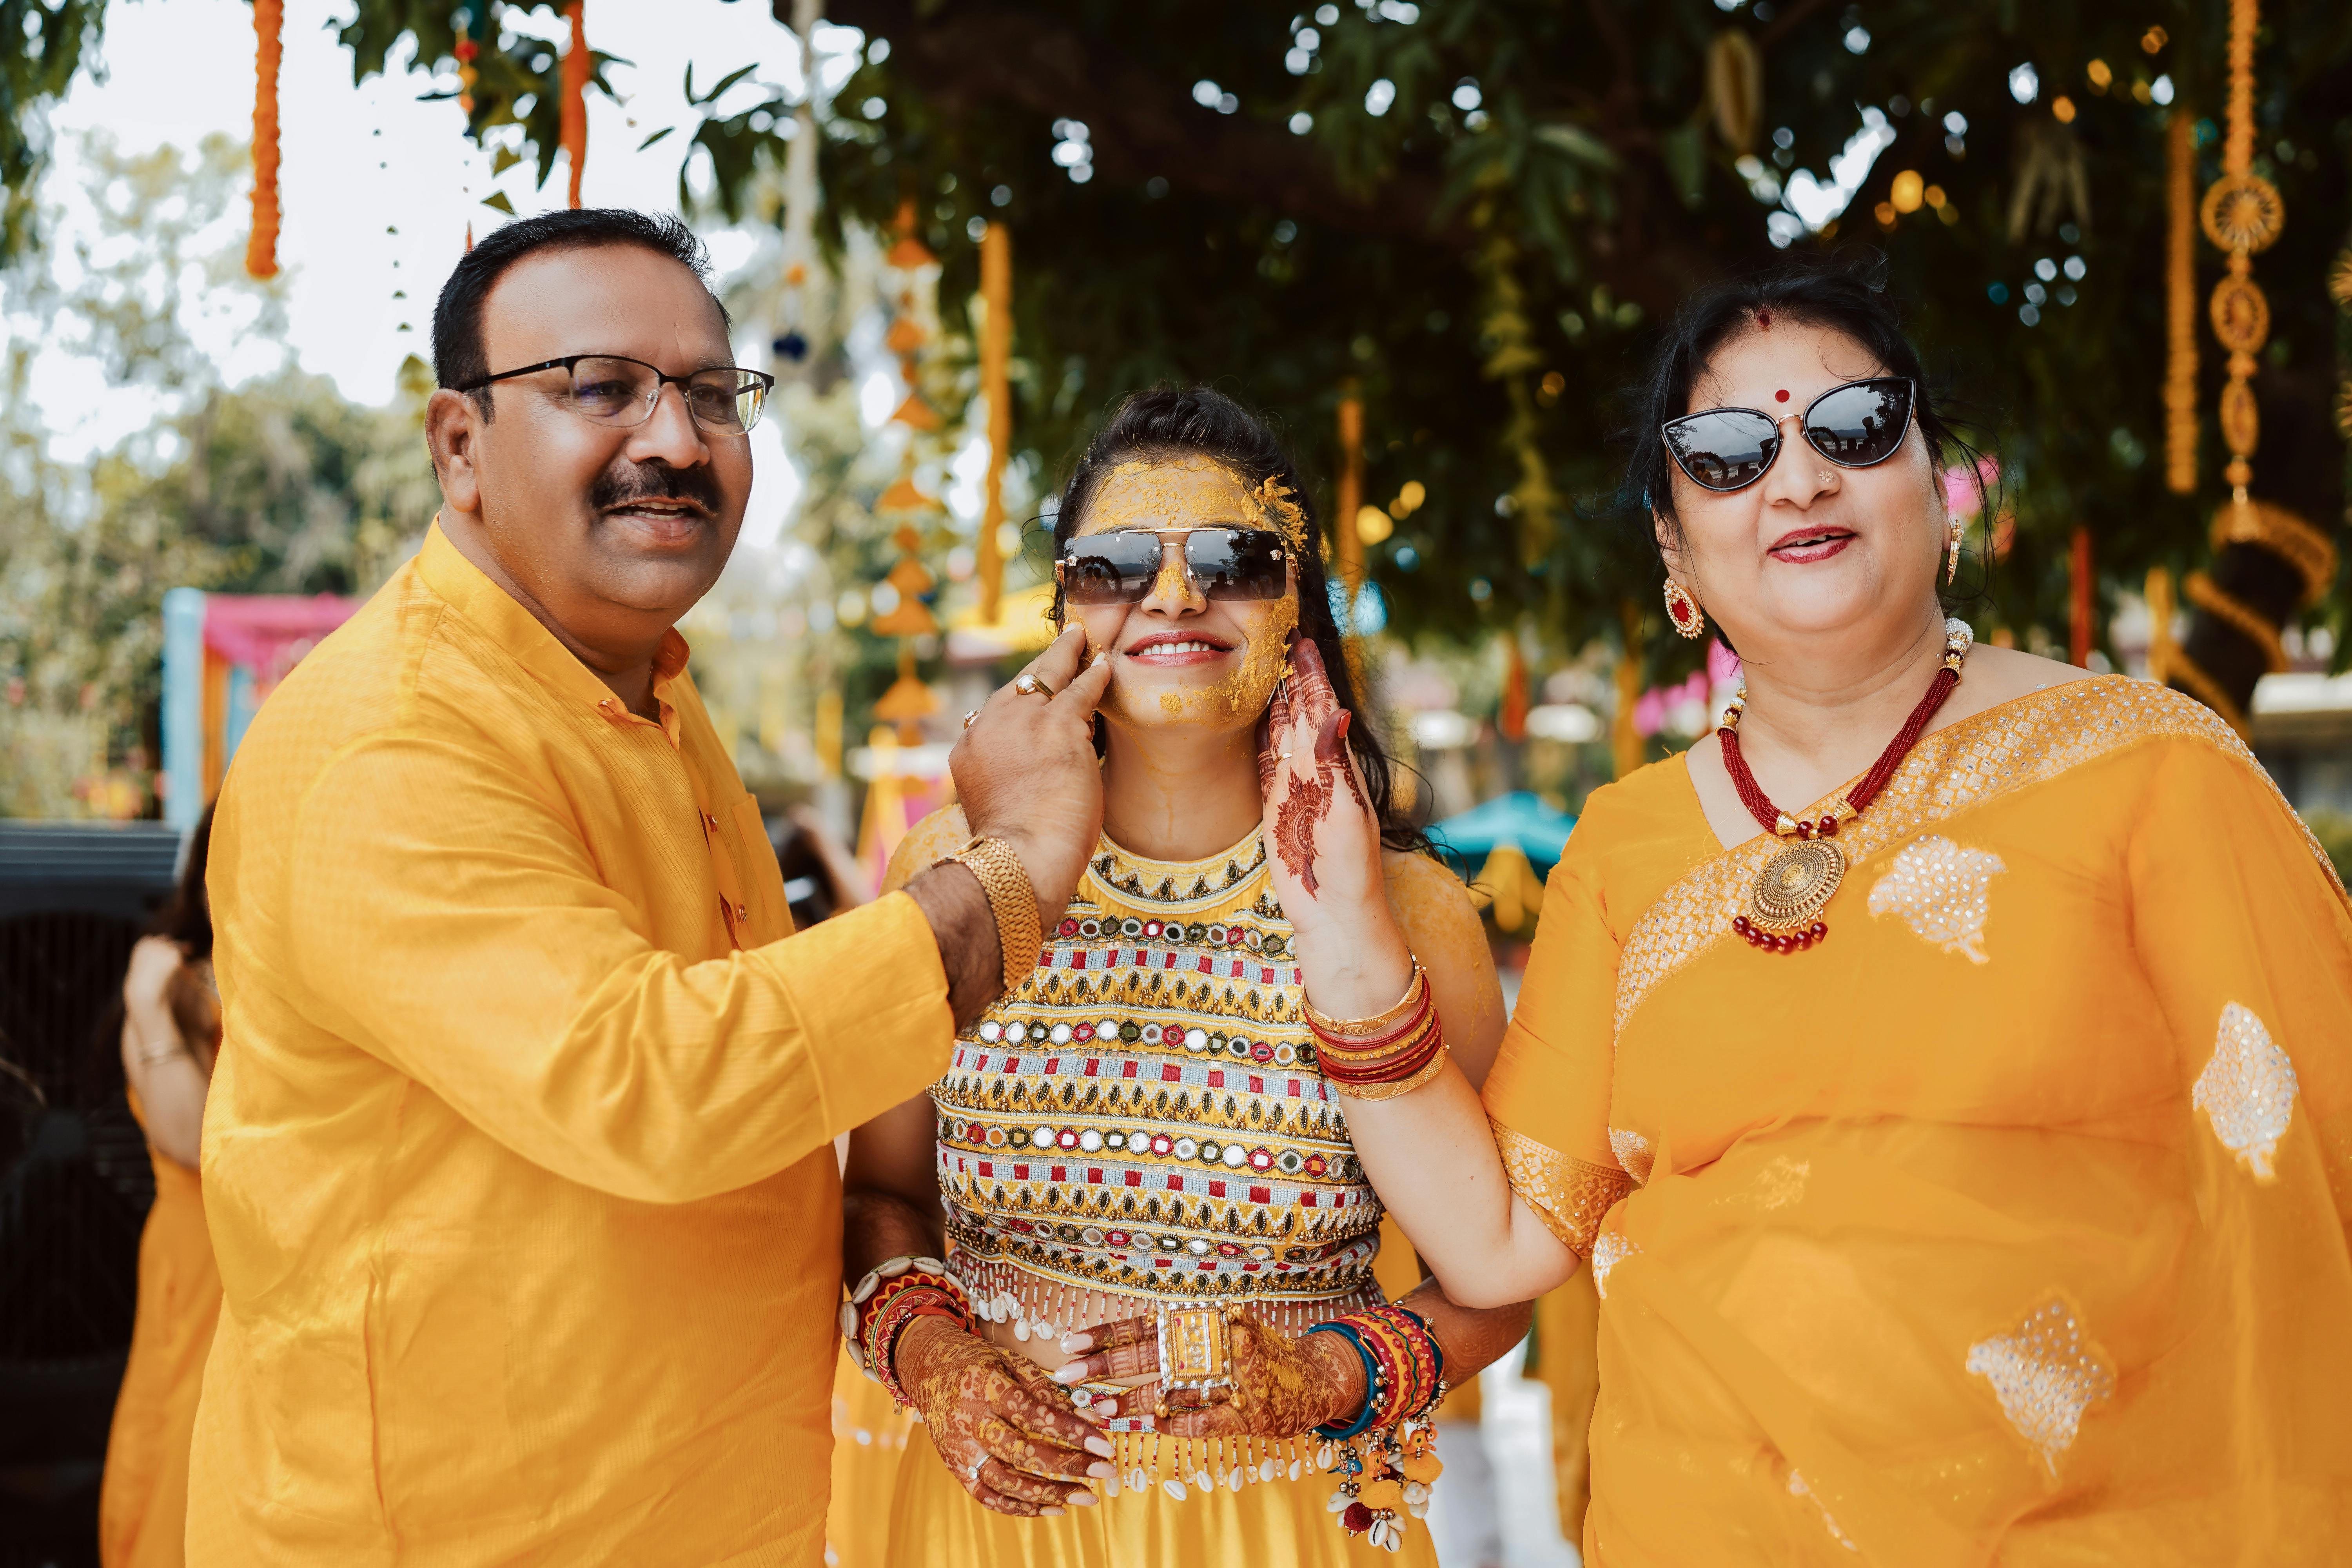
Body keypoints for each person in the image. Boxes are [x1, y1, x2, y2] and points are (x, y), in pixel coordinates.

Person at [1343, 254, 2352, 1563]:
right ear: (1672, 542)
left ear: (1938, 483)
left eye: (1856, 426)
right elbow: (1498, 1239)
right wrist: (1338, 928)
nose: (1799, 478)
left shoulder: (2149, 772)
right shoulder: (1626, 842)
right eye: (1723, 452)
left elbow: (2321, 1160)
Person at [186, 208, 1112, 1565]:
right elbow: (656, 1082)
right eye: (601, 390)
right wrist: (1015, 874)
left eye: (711, 395)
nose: (674, 441)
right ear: (460, 448)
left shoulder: (652, 704)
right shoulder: (389, 737)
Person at [841, 388, 1533, 1567]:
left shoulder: (1411, 911)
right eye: (1115, 564)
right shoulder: (952, 873)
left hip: (1293, 1525)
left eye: (1235, 558)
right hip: (994, 1525)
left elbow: (1496, 1279)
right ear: (1065, 604)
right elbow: (880, 1200)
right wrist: (936, 1358)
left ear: (1297, 606)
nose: (1173, 595)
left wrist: (1321, 1376)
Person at [98, 805, 222, 1568]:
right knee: (181, 1453)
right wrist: (149, 1006)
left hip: (292, 1256)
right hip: (203, 1261)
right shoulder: (175, 984)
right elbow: (195, 1143)